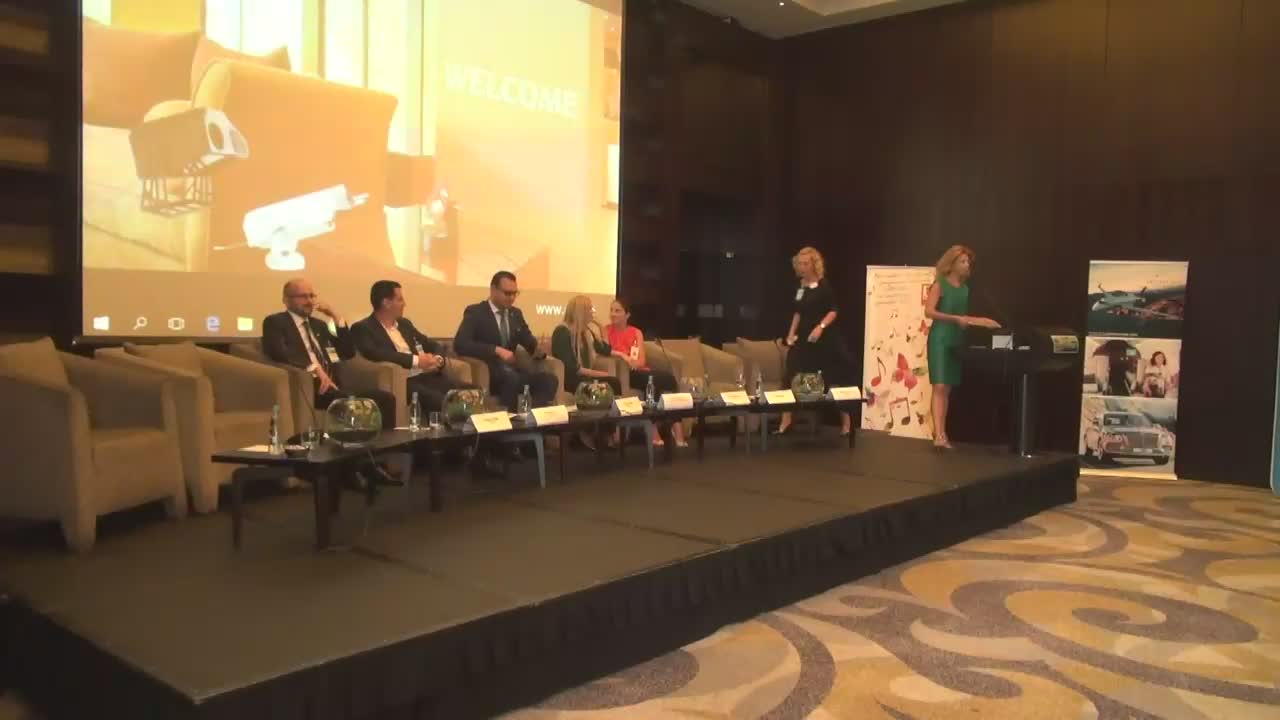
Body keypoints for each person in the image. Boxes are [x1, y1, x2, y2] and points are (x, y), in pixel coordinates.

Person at [261, 278, 398, 431]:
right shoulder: (275, 322)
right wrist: (313, 368)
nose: (309, 301)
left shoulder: (319, 325)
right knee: (355, 402)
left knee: (386, 398)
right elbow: (278, 352)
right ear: (286, 300)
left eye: (312, 296)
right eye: (303, 297)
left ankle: (385, 445)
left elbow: (346, 352)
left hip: (335, 386)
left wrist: (335, 316)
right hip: (311, 386)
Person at [351, 280, 477, 415]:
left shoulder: (404, 324)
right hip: (404, 381)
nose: (404, 304)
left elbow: (431, 344)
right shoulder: (363, 328)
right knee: (441, 400)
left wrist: (438, 360)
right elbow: (375, 353)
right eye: (400, 299)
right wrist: (416, 361)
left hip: (426, 376)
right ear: (386, 303)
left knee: (472, 392)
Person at [924, 245, 1000, 449]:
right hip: (940, 338)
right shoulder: (939, 285)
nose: (967, 265)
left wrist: (982, 321)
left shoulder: (965, 289)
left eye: (968, 262)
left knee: (947, 388)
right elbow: (929, 312)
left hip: (956, 339)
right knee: (939, 385)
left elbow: (964, 318)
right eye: (963, 261)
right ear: (952, 264)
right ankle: (939, 435)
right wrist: (955, 319)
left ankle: (941, 431)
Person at [453, 271, 559, 410]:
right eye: (508, 293)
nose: (512, 298)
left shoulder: (516, 314)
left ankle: (532, 416)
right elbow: (460, 344)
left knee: (549, 380)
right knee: (511, 379)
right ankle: (512, 419)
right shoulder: (476, 312)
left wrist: (539, 350)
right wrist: (496, 350)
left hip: (514, 371)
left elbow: (529, 343)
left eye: (515, 293)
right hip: (491, 372)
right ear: (493, 290)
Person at [777, 247, 854, 436]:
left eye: (806, 263)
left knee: (835, 378)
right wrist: (790, 334)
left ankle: (846, 422)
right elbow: (797, 312)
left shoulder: (823, 285)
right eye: (800, 264)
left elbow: (833, 310)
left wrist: (821, 327)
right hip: (804, 338)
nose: (802, 267)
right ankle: (786, 420)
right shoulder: (800, 286)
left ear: (814, 265)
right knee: (791, 372)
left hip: (823, 338)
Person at [605, 298, 686, 447]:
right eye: (611, 310)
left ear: (627, 315)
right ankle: (655, 430)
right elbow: (605, 351)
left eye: (617, 311)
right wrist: (623, 357)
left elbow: (641, 361)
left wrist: (633, 362)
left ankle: (674, 426)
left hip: (639, 371)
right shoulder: (606, 331)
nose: (613, 314)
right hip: (623, 374)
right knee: (655, 382)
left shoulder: (636, 332)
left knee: (668, 379)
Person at [552, 296, 623, 449]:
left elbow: (604, 348)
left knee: (613, 383)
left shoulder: (586, 333)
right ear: (580, 311)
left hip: (584, 377)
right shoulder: (562, 332)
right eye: (590, 309)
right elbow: (573, 368)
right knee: (607, 382)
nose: (592, 312)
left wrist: (600, 325)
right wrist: (602, 375)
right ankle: (597, 434)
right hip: (570, 379)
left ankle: (607, 433)